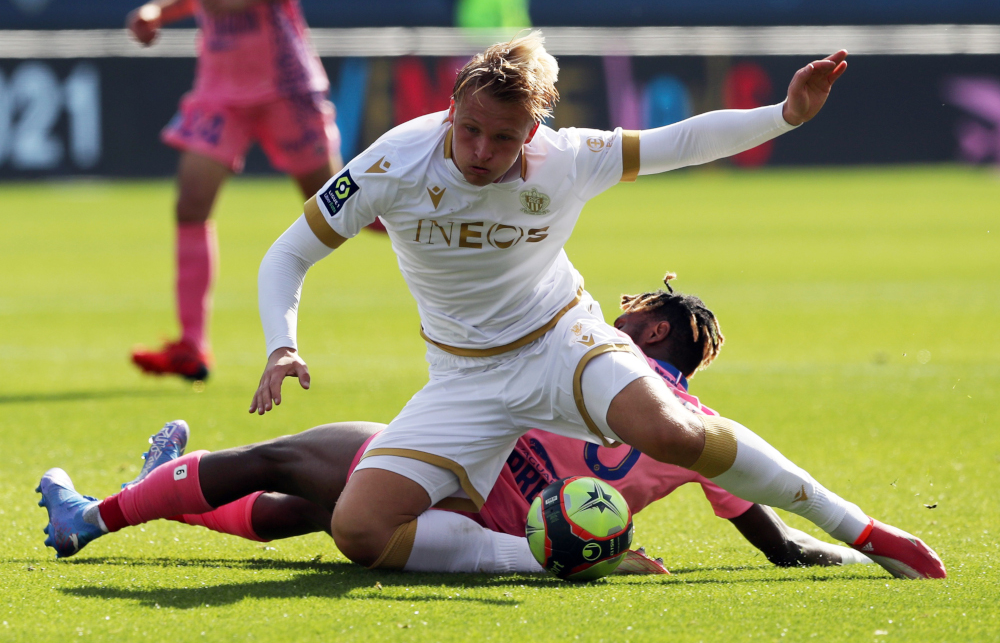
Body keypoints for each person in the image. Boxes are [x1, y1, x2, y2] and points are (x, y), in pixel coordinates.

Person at [246, 32, 943, 579]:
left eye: (504, 137)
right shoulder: (393, 160)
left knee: (674, 434)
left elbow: (685, 141)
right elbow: (288, 254)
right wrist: (282, 342)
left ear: (535, 129)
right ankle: (563, 559)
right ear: (453, 106)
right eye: (470, 129)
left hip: (562, 342)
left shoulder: (570, 157)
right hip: (463, 377)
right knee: (361, 533)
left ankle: (861, 528)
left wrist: (786, 116)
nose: (482, 151)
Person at [37, 276, 870, 572]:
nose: (621, 309)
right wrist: (831, 545)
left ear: (653, 334)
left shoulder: (597, 367)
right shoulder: (697, 433)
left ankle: (96, 516)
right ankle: (159, 486)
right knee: (302, 512)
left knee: (286, 459)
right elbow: (769, 532)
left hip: (461, 485)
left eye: (637, 309)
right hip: (515, 526)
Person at [126, 0, 343, 381]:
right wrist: (157, 11)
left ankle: (448, 229)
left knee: (344, 206)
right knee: (191, 205)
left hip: (284, 85)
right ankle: (192, 345)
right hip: (220, 94)